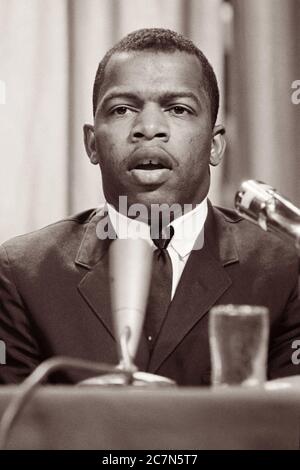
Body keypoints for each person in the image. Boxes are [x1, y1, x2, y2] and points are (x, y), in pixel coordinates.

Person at [0, 28, 299, 385]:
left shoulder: (283, 267)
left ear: (215, 145)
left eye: (178, 109)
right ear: (92, 144)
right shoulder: (21, 273)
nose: (149, 128)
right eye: (123, 109)